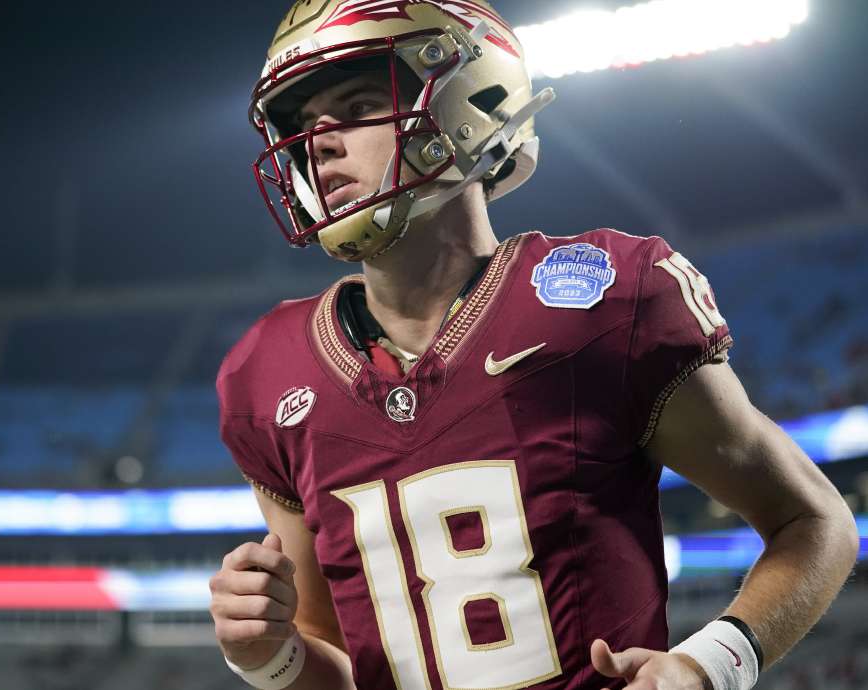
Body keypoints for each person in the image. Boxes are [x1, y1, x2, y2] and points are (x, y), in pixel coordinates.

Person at [208, 2, 859, 690]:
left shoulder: (600, 301)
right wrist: (268, 655)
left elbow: (813, 521)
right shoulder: (268, 371)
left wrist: (707, 667)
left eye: (359, 106)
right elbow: (332, 661)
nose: (319, 145)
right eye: (306, 125)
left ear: (467, 104)